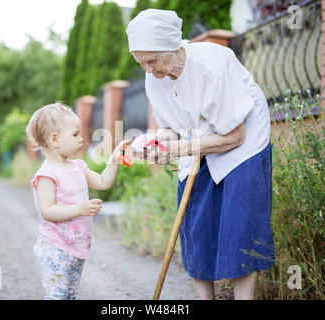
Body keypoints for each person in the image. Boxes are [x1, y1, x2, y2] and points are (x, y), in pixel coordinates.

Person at [127, 9, 275, 300]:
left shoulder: (213, 64)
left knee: (239, 229)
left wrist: (178, 148)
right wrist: (155, 143)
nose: (148, 69)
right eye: (141, 62)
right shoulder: (153, 78)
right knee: (197, 228)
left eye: (153, 60)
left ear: (172, 46)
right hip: (199, 141)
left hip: (243, 146)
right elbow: (171, 129)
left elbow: (235, 136)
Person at [25, 102, 130, 300]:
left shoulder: (79, 167)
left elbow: (103, 181)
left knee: (70, 296)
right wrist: (80, 208)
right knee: (58, 296)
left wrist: (114, 158)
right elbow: (47, 211)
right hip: (56, 248)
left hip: (77, 247)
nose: (81, 139)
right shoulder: (47, 174)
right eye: (75, 134)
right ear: (55, 140)